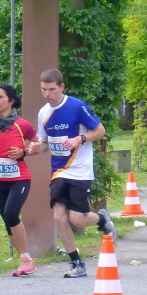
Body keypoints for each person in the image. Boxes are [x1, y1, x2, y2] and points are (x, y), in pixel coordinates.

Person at [27, 68, 117, 278]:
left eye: (51, 89)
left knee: (77, 219)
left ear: (61, 87)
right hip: (58, 172)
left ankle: (102, 220)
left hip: (80, 171)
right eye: (43, 89)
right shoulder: (43, 113)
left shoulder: (77, 107)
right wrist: (35, 148)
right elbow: (45, 143)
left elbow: (100, 130)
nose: (47, 94)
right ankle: (77, 263)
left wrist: (80, 139)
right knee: (59, 218)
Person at [0, 84, 38, 277]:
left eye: (0, 97)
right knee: (7, 219)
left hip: (20, 178)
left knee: (11, 213)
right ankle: (25, 261)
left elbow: (38, 144)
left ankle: (26, 258)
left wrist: (23, 151)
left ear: (11, 101)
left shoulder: (22, 125)